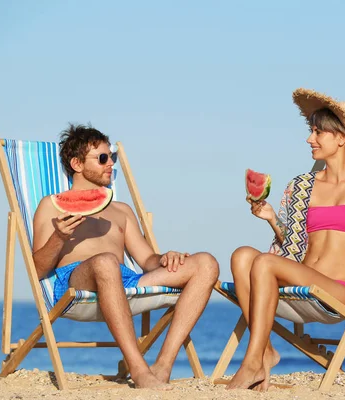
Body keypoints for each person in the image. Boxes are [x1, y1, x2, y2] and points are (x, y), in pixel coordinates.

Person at [226, 88, 345, 391]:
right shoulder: (302, 185)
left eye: (318, 132)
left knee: (262, 262)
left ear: (341, 137)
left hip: (336, 293)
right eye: (310, 131)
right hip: (300, 279)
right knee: (241, 256)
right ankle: (266, 353)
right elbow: (294, 247)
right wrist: (273, 218)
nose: (310, 139)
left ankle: (252, 363)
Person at [32, 123, 220, 390]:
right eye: (102, 158)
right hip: (74, 281)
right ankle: (138, 369)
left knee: (206, 263)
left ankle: (163, 365)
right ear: (76, 163)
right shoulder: (50, 205)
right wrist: (58, 238)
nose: (110, 164)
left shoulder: (121, 210)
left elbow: (147, 261)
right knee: (106, 261)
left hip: (126, 281)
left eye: (113, 157)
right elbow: (37, 270)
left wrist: (166, 258)